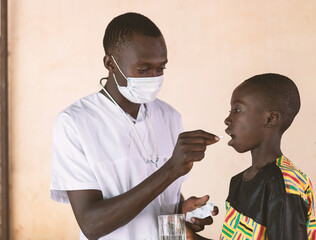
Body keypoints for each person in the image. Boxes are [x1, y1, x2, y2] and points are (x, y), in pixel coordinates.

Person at [50, 12, 219, 240]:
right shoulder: (75, 123)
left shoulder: (169, 116)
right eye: (143, 70)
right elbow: (91, 224)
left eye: (161, 69)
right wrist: (170, 170)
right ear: (110, 63)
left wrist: (181, 212)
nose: (154, 77)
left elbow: (162, 201)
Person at [187, 73, 316, 240]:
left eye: (237, 110)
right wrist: (189, 236)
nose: (227, 120)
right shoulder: (239, 181)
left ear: (270, 119)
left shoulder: (286, 183)